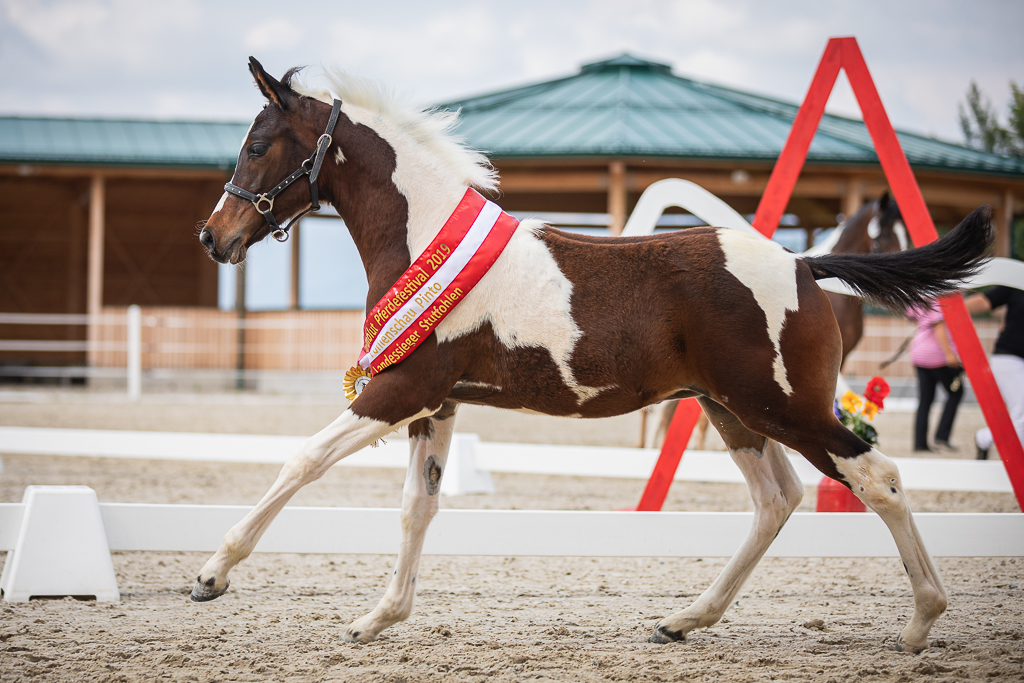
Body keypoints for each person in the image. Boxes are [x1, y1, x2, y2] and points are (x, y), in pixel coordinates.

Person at [966, 286, 1024, 459]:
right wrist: (947, 308)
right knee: (1022, 414)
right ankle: (985, 440)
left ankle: (984, 438)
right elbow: (984, 302)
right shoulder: (1017, 279)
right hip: (1010, 358)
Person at [907, 299, 963, 452]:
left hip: (919, 352)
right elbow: (939, 326)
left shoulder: (922, 296)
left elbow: (911, 316)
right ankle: (942, 436)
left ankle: (920, 443)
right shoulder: (940, 299)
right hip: (936, 355)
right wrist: (950, 354)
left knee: (925, 400)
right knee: (956, 392)